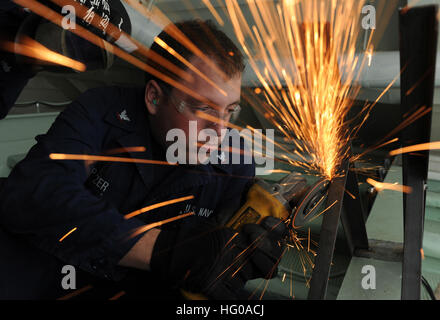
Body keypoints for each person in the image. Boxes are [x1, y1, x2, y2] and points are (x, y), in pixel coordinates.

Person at [0, 19, 287, 300]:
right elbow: (37, 194)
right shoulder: (100, 110)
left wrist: (242, 259)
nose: (220, 131)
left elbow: (209, 272)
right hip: (38, 275)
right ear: (153, 98)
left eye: (230, 111)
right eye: (204, 109)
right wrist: (162, 250)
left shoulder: (236, 162)